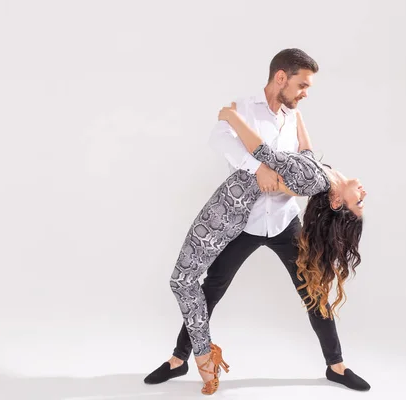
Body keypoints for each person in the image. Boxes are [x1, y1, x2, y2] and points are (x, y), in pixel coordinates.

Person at [144, 48, 371, 394]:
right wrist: (257, 168)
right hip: (243, 222)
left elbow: (304, 159)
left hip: (283, 222)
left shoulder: (294, 117)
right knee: (211, 289)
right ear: (281, 77)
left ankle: (336, 366)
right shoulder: (246, 106)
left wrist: (283, 165)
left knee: (313, 291)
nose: (305, 93)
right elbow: (218, 139)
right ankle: (179, 359)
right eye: (302, 85)